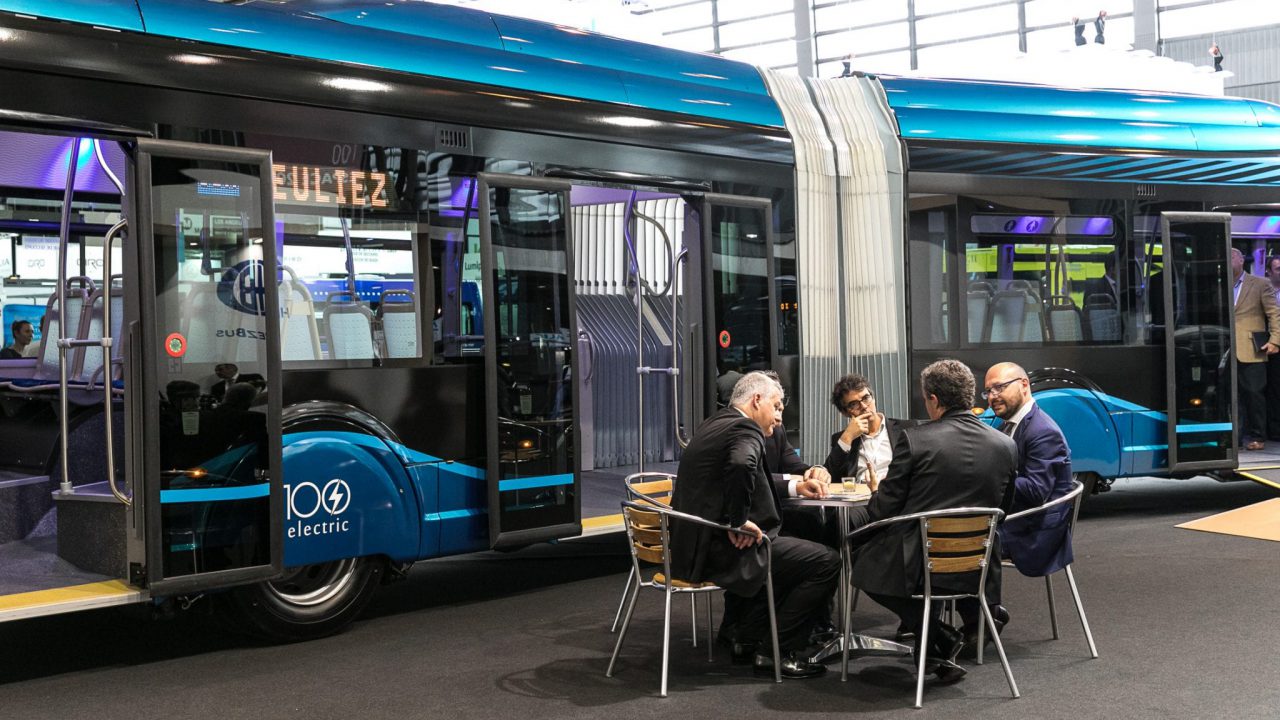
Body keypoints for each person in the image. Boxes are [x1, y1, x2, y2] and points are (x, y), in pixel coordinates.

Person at [846, 359, 1017, 684]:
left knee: (860, 557)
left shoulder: (915, 440)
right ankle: (937, 648)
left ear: (934, 400)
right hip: (977, 566)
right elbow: (1003, 510)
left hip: (921, 565)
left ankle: (940, 636)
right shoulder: (1006, 445)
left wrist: (876, 491)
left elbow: (884, 510)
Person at [669, 371, 839, 680]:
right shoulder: (745, 427)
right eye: (776, 406)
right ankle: (776, 652)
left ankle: (747, 639)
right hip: (717, 552)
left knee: (789, 555)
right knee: (826, 561)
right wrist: (737, 521)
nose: (779, 417)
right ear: (757, 400)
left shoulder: (714, 424)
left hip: (690, 550)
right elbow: (742, 464)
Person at [957, 362, 1073, 651]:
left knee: (962, 542)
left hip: (1038, 529)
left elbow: (1036, 491)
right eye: (988, 391)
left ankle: (982, 619)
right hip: (1013, 518)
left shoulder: (1042, 431)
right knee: (947, 534)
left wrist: (988, 479)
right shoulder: (1008, 425)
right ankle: (976, 617)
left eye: (999, 387)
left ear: (1023, 385)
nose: (992, 396)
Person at [1231, 248, 1280, 451]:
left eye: (1232, 257)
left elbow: (1274, 314)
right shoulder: (1219, 283)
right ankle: (1234, 437)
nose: (1228, 261)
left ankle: (1258, 436)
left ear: (1241, 260)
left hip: (1251, 347)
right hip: (1224, 347)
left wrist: (1275, 341)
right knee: (1230, 395)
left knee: (1254, 393)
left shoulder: (1260, 284)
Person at [1266, 256, 1280, 441]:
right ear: (1268, 272)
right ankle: (1274, 429)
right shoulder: (1263, 289)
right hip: (1270, 346)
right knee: (1273, 389)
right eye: (1278, 269)